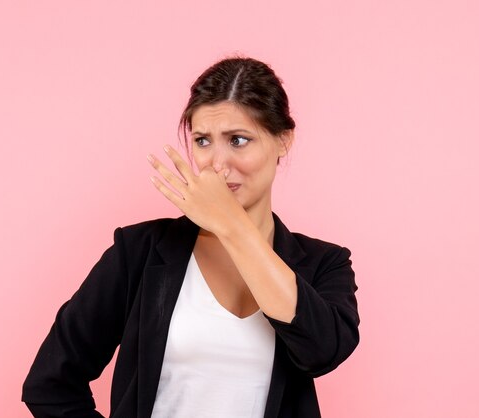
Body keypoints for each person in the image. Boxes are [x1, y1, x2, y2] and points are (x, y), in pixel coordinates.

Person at [22, 56, 360, 418]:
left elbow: (323, 352)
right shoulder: (138, 252)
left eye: (238, 140)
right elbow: (49, 384)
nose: (216, 163)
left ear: (283, 141)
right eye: (202, 140)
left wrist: (232, 227)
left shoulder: (324, 263)